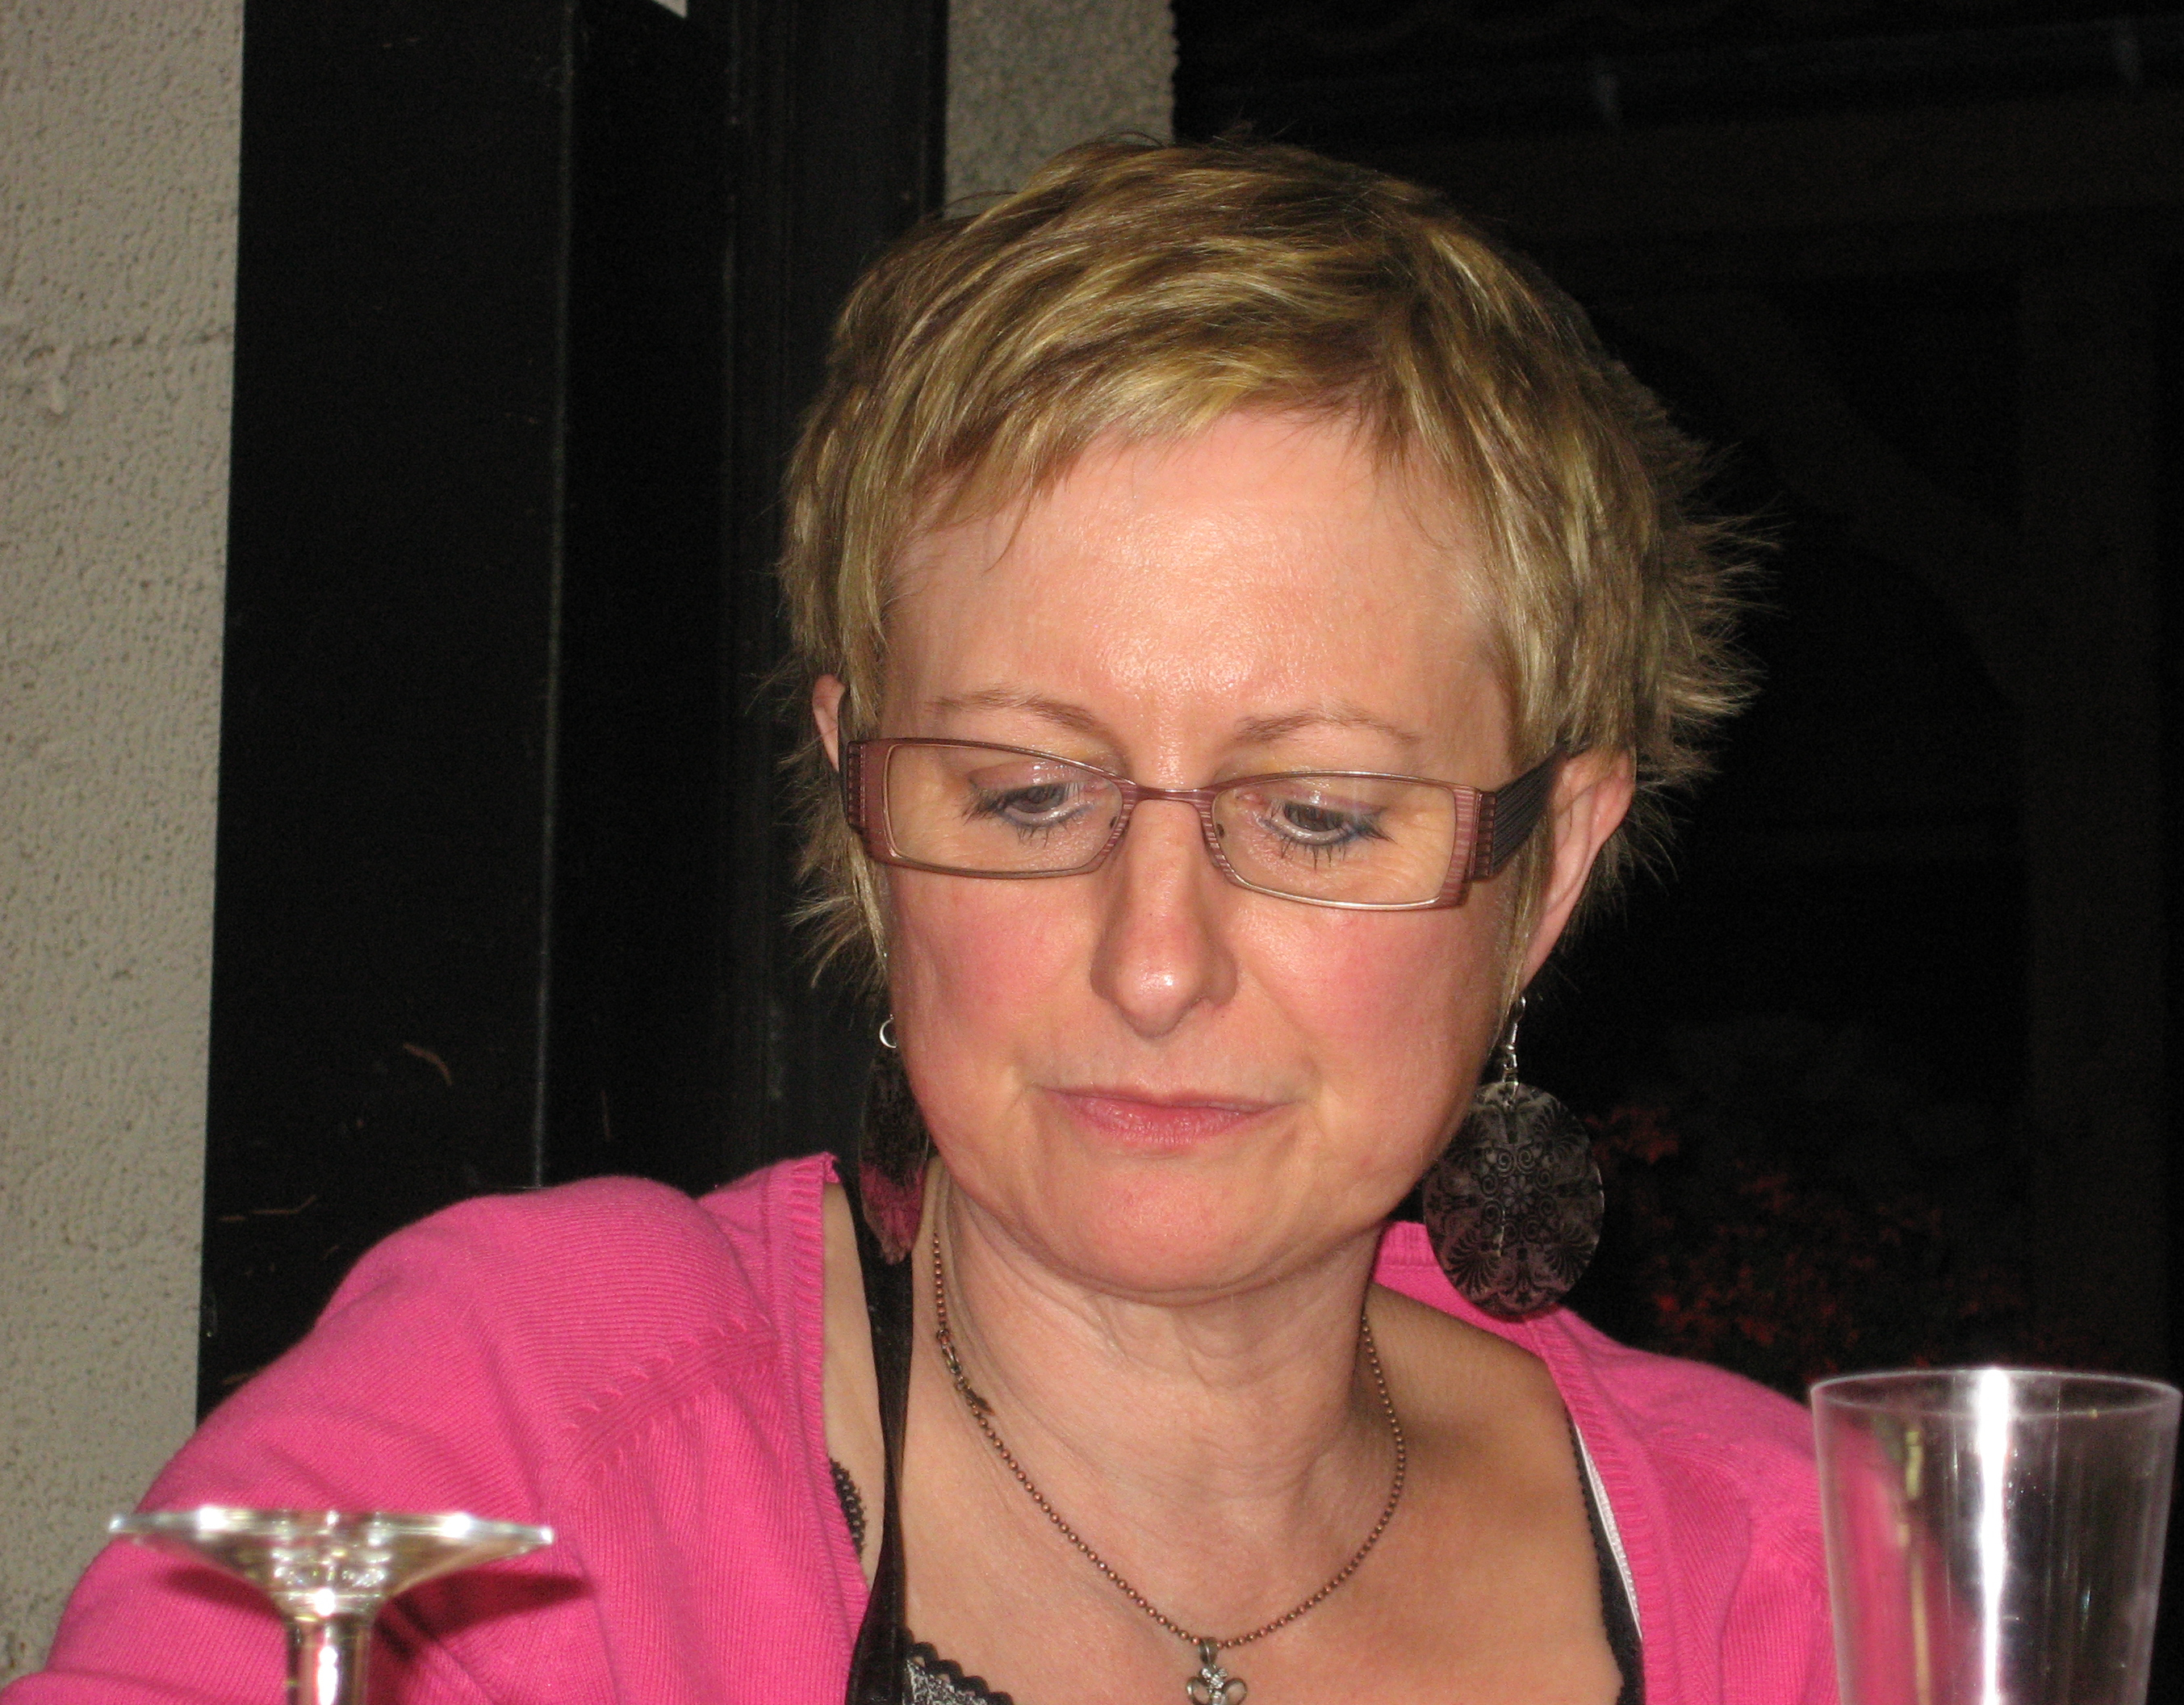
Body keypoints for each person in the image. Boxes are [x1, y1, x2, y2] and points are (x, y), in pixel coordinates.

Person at [6, 138, 1829, 1705]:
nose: (1155, 963)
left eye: (1317, 817)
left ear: (1549, 866)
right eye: (1028, 796)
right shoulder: (524, 1438)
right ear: (870, 826)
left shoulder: (1807, 1576)